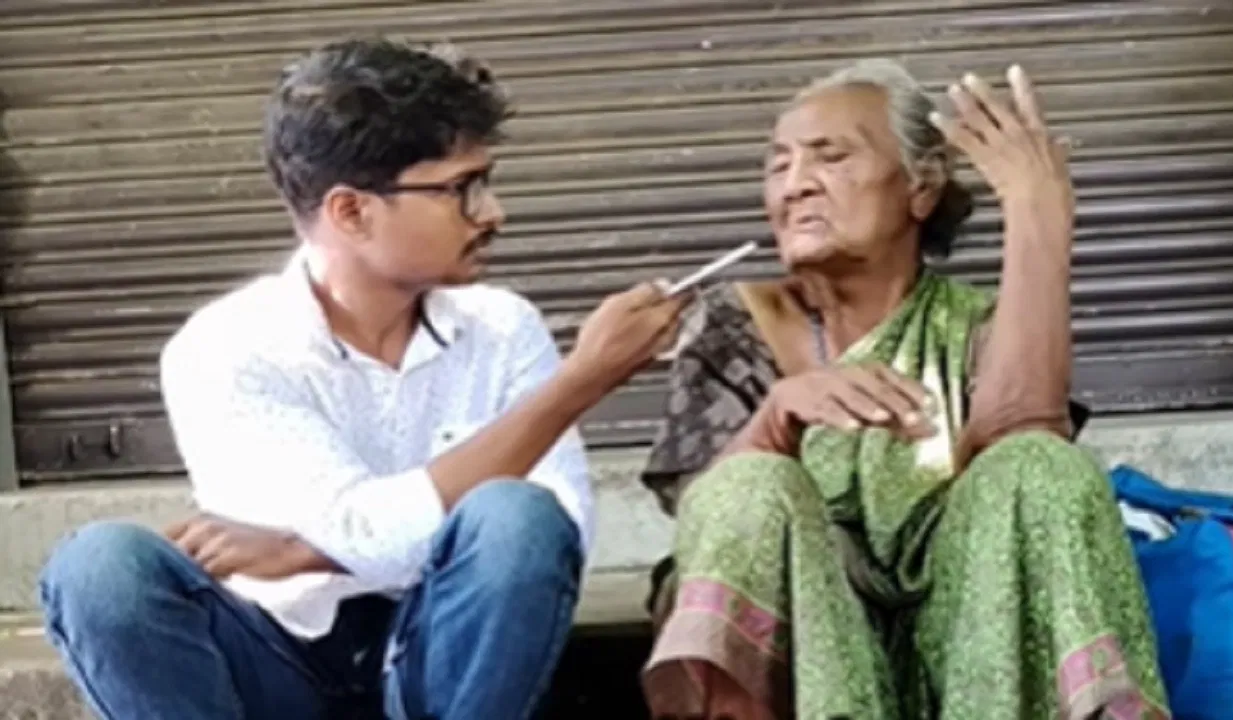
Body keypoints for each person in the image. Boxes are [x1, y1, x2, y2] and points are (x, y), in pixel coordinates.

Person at [37, 38, 688, 720]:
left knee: (514, 517)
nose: (494, 212)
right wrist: (581, 380)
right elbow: (358, 529)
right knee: (99, 568)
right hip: (277, 663)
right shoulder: (224, 348)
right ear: (351, 211)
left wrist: (302, 549)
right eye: (461, 189)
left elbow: (552, 537)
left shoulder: (503, 326)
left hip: (450, 660)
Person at [638, 60, 1170, 719]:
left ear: (920, 188)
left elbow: (1027, 454)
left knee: (1043, 466)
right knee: (749, 484)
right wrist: (772, 421)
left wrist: (1037, 214)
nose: (795, 185)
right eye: (778, 166)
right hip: (793, 647)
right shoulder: (732, 322)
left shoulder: (980, 326)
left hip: (966, 645)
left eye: (830, 157)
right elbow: (705, 523)